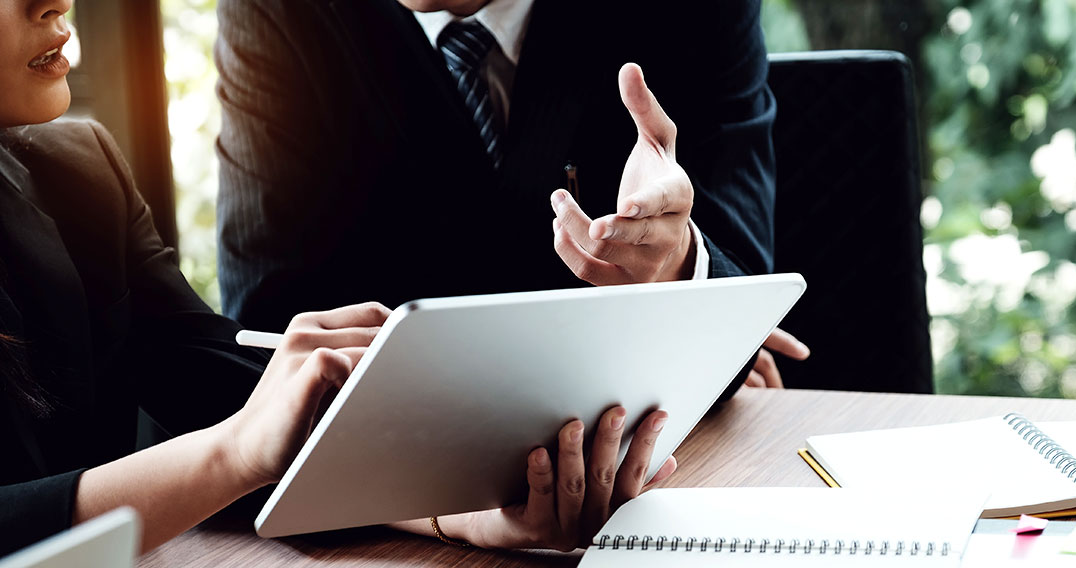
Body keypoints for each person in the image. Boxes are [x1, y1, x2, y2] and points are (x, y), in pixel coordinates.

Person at [0, 0, 674, 556]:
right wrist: (229, 455)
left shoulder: (79, 175)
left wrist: (465, 512)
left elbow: (225, 396)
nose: (55, 3)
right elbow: (235, 440)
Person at [214, 0, 810, 394]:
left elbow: (740, 285)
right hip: (403, 481)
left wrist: (681, 273)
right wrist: (665, 346)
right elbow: (273, 329)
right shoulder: (277, 12)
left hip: (656, 459)